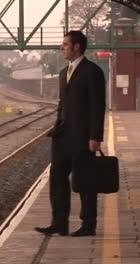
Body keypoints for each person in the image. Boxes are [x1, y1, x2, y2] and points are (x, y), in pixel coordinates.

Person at [35, 30, 106, 237]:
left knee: (85, 181)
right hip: (63, 137)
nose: (62, 48)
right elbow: (62, 104)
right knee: (57, 178)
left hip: (84, 138)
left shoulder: (92, 71)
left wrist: (96, 136)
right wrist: (57, 126)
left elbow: (98, 106)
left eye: (65, 44)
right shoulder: (63, 72)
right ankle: (59, 222)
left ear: (77, 47)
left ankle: (88, 224)